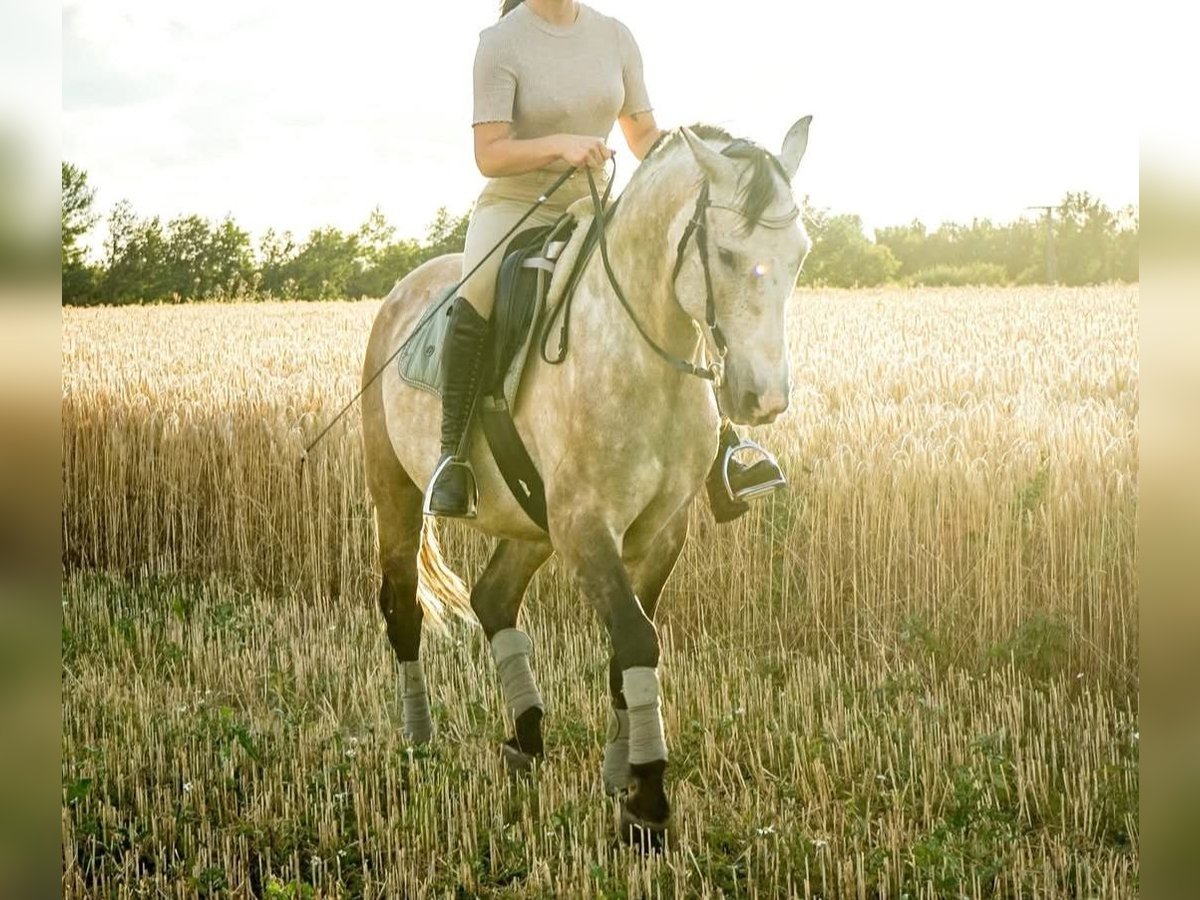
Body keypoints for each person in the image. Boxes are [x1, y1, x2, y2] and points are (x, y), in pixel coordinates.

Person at [425, 0, 785, 523]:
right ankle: (452, 458)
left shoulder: (615, 36)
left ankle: (725, 449)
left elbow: (643, 137)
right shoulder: (500, 42)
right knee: (476, 296)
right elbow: (490, 153)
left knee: (680, 280)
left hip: (594, 204)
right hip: (515, 207)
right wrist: (561, 147)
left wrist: (706, 162)